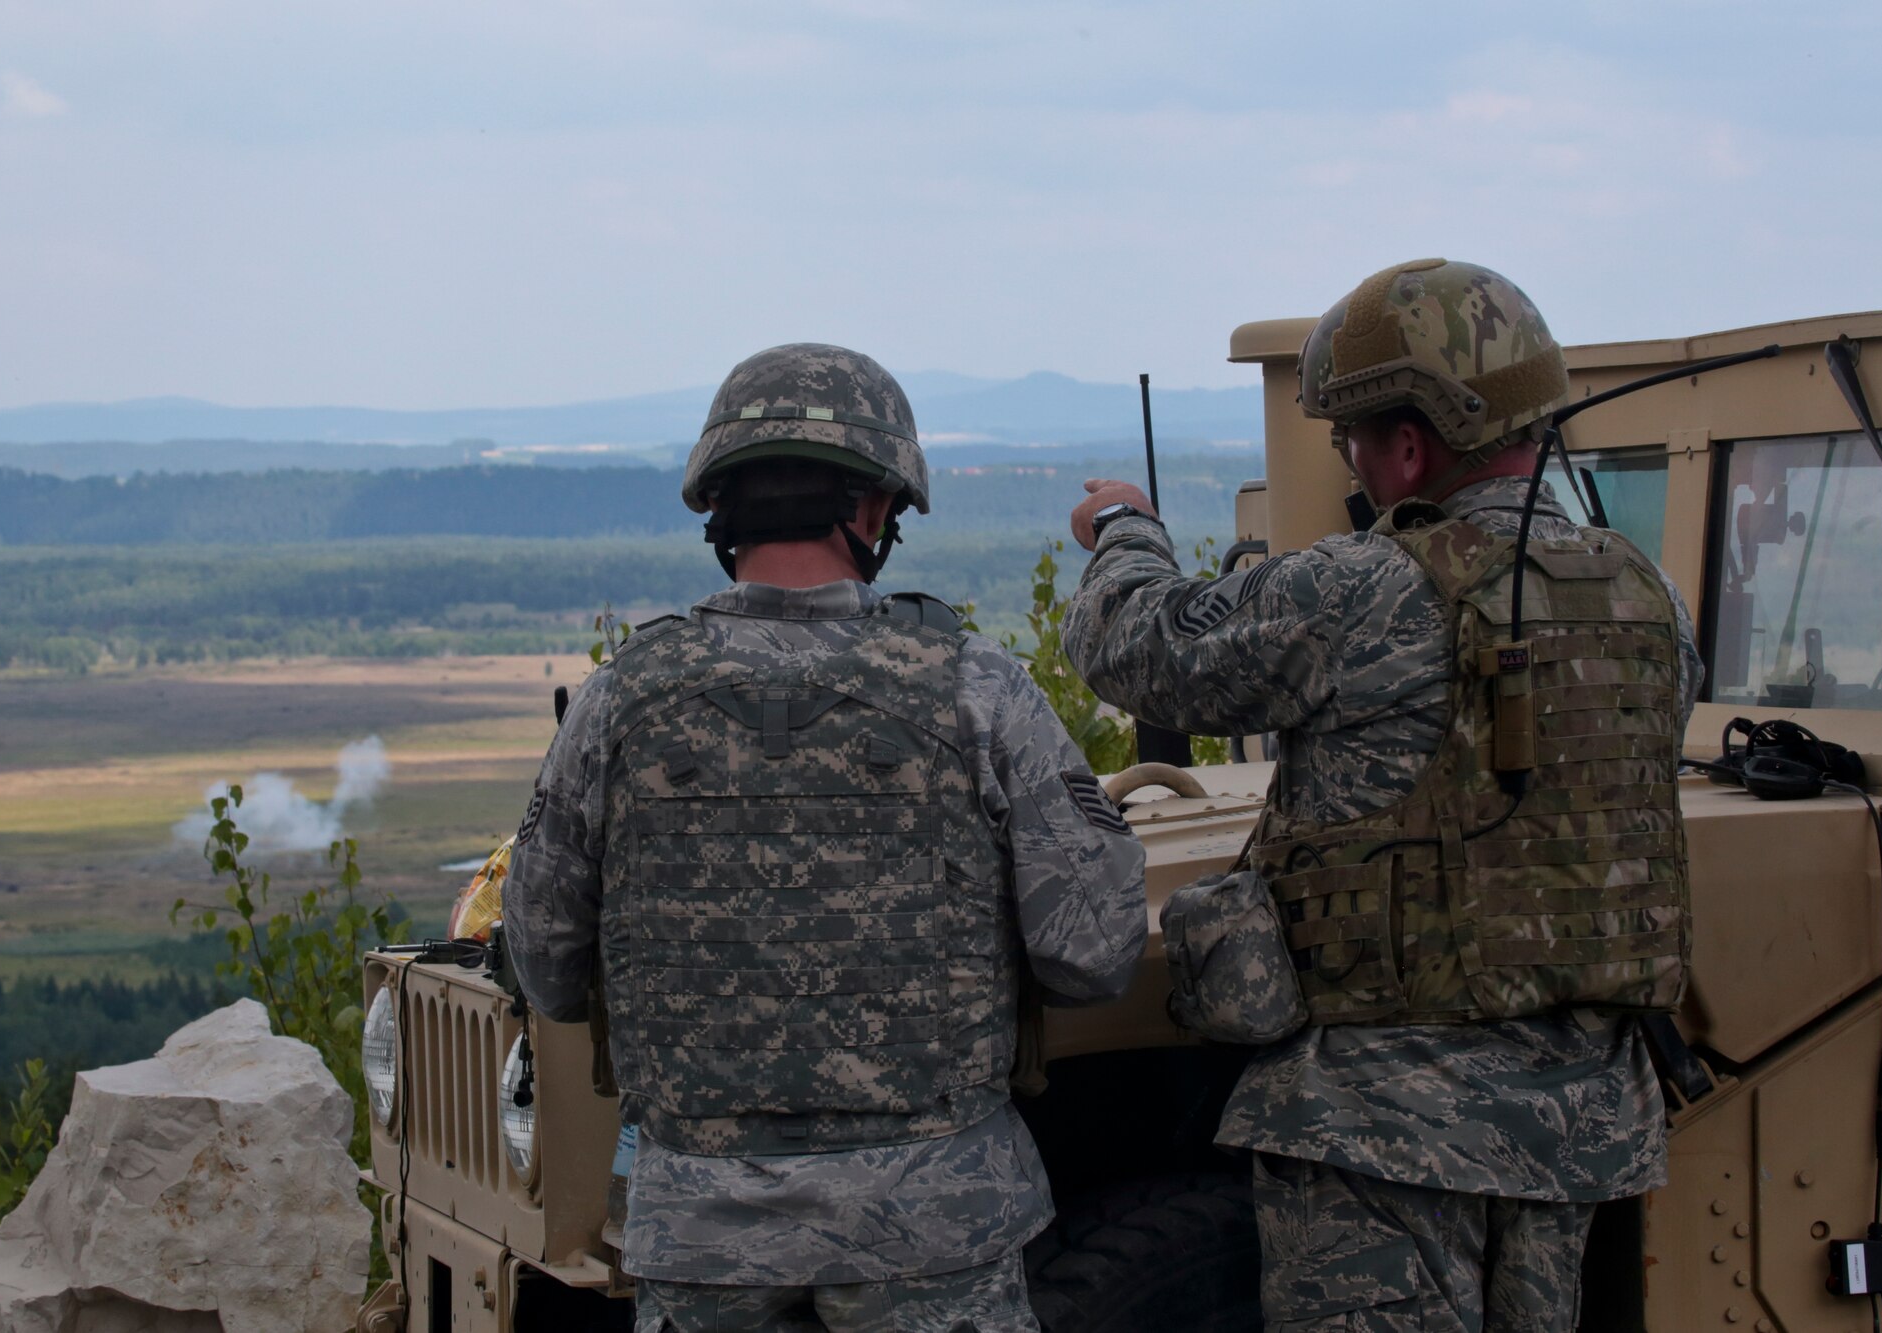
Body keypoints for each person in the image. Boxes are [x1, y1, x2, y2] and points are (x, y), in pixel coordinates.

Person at [1063, 259, 1701, 1332]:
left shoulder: (1369, 589)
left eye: (1349, 436)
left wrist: (1125, 528)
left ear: (1407, 445)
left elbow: (1139, 647)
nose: (1351, 461)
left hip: (1382, 1122)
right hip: (1578, 1123)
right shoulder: (1647, 595)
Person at [503, 342, 1148, 1333]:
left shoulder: (617, 702)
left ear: (718, 507)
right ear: (875, 507)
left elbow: (545, 969)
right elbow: (1093, 953)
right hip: (931, 1230)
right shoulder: (975, 688)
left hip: (702, 1240)